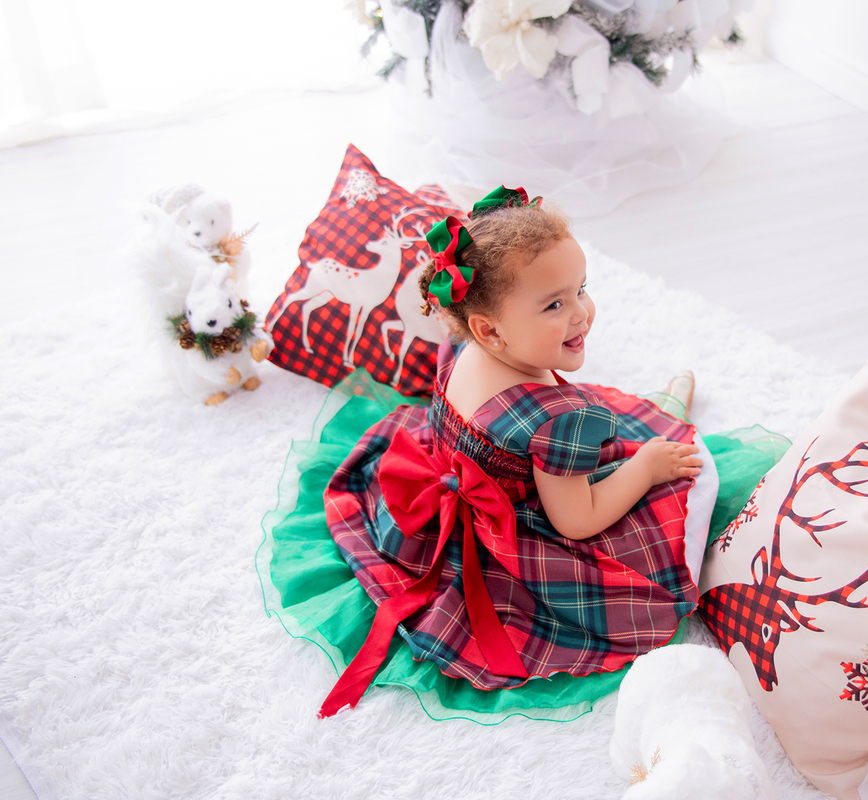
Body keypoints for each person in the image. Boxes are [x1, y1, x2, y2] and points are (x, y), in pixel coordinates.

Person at [258, 186, 787, 723]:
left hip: (443, 481)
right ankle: (667, 413)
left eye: (581, 289)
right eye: (554, 304)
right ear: (491, 328)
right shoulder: (560, 418)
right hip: (515, 541)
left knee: (619, 425)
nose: (582, 314)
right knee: (685, 473)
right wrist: (643, 468)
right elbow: (578, 521)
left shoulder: (466, 347)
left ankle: (659, 411)